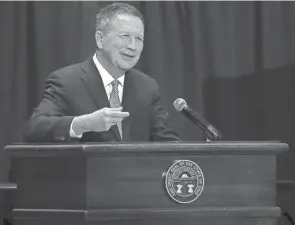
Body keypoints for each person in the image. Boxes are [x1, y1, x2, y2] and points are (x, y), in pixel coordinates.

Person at [23, 3, 180, 143]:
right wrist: (84, 124)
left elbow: (166, 142)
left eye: (139, 38)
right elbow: (34, 128)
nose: (133, 46)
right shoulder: (67, 81)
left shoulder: (147, 86)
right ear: (100, 39)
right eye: (125, 36)